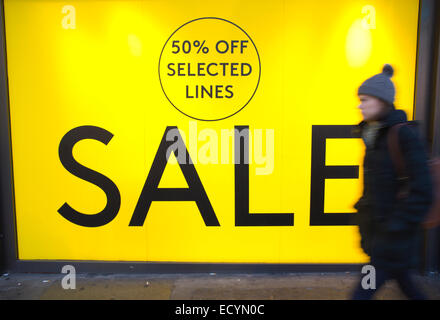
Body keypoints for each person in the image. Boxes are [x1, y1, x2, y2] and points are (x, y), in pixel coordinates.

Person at [351, 64, 433, 299]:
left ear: (382, 101)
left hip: (392, 243)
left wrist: (394, 228)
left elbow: (422, 190)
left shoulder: (403, 136)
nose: (360, 105)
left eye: (365, 99)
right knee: (409, 286)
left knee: (360, 295)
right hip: (383, 242)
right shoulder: (373, 137)